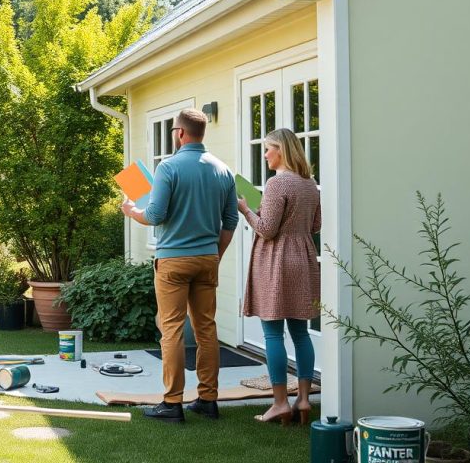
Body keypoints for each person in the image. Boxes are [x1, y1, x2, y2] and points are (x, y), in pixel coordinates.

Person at [121, 108, 239, 423]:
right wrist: (217, 253)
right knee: (206, 329)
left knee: (171, 329)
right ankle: (208, 399)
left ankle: (172, 403)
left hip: (173, 260)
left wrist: (132, 210)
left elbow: (155, 215)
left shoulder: (168, 168)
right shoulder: (223, 170)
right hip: (206, 258)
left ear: (180, 133)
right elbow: (230, 220)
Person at [239, 127, 321, 426]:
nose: (265, 154)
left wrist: (247, 210)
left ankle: (279, 404)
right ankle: (303, 399)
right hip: (304, 258)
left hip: (276, 261)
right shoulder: (310, 184)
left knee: (273, 333)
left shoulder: (277, 183)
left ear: (281, 151)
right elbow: (315, 224)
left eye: (268, 148)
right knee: (300, 333)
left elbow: (267, 229)